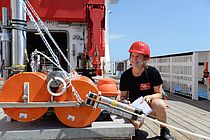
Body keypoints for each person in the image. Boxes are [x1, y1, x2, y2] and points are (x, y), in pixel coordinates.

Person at [119, 41, 175, 140]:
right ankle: (136, 131)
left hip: (151, 106)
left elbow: (159, 94)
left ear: (145, 59)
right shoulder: (125, 76)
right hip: (136, 108)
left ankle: (164, 131)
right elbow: (122, 96)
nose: (134, 59)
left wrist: (149, 97)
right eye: (132, 56)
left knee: (160, 104)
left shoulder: (153, 72)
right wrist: (125, 102)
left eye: (138, 56)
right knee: (136, 125)